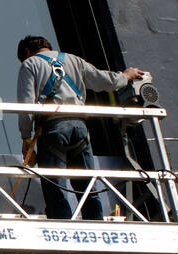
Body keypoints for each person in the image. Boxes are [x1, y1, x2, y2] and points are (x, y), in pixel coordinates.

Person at [15, 35, 145, 220]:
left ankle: (62, 227)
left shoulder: (29, 64)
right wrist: (125, 76)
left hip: (54, 128)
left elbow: (26, 105)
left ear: (26, 52)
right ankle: (95, 223)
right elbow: (104, 81)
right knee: (86, 184)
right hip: (80, 128)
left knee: (55, 185)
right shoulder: (73, 60)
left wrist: (26, 137)